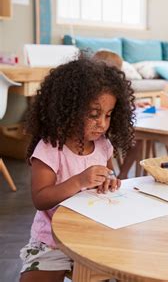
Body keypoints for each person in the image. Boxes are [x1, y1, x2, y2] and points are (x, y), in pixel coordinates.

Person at [19, 57, 135, 282]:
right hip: (51, 240)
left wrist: (108, 180)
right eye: (94, 114)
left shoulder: (103, 145)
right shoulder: (50, 148)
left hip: (93, 235)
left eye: (108, 115)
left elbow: (106, 174)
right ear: (68, 109)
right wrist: (79, 181)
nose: (102, 123)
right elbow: (40, 199)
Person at [92, 49, 144, 179]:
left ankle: (122, 174)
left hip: (113, 129)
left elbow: (121, 107)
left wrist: (134, 105)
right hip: (103, 133)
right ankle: (117, 174)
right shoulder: (90, 88)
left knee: (136, 139)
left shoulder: (119, 88)